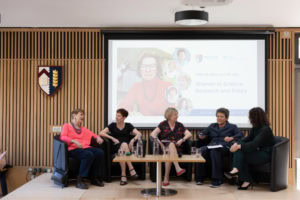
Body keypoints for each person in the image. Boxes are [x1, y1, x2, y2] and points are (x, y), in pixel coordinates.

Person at [226, 107, 275, 190]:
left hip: (265, 154)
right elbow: (246, 139)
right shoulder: (255, 128)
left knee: (241, 153)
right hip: (257, 152)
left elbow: (254, 144)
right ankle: (239, 172)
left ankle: (243, 176)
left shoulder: (265, 130)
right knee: (240, 151)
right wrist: (235, 144)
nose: (249, 118)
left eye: (250, 116)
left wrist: (238, 146)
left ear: (255, 117)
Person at [196, 108, 244, 188]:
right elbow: (202, 133)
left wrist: (231, 138)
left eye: (221, 116)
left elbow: (240, 135)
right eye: (218, 116)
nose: (219, 118)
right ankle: (200, 178)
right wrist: (201, 135)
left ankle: (217, 179)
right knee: (201, 150)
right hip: (211, 145)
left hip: (224, 147)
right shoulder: (212, 126)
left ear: (226, 118)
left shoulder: (232, 127)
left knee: (215, 151)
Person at [60, 109, 105, 189]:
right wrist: (73, 141)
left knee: (100, 152)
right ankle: (80, 180)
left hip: (83, 148)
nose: (83, 116)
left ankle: (94, 178)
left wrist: (97, 137)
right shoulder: (66, 126)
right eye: (81, 114)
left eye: (83, 115)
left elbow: (92, 134)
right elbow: (62, 137)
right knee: (88, 154)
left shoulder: (83, 129)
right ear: (74, 116)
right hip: (72, 149)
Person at [99, 108, 142, 186]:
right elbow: (101, 133)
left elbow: (139, 134)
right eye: (116, 115)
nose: (116, 117)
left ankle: (123, 176)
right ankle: (131, 168)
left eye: (119, 116)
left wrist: (133, 140)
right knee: (124, 146)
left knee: (123, 147)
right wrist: (112, 138)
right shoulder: (112, 125)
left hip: (125, 149)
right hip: (115, 147)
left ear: (124, 117)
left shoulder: (128, 125)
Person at [150, 107, 192, 186]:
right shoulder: (163, 124)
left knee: (171, 148)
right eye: (175, 115)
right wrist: (159, 142)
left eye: (177, 114)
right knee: (169, 146)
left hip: (177, 148)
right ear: (169, 116)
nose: (177, 116)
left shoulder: (179, 125)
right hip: (163, 147)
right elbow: (152, 134)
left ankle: (166, 178)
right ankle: (177, 168)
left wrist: (182, 140)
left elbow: (189, 134)